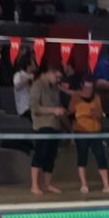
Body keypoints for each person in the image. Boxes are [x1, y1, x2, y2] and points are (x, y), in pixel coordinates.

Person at [70, 78, 109, 194]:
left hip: (95, 130)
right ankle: (84, 184)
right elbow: (70, 115)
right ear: (82, 86)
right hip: (81, 131)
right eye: (87, 87)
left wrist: (95, 114)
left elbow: (100, 113)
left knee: (101, 156)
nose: (89, 90)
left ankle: (106, 185)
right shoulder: (76, 97)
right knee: (82, 156)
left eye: (91, 87)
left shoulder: (97, 97)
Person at [28, 63, 66, 194]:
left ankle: (47, 184)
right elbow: (34, 107)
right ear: (50, 72)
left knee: (51, 156)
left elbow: (57, 105)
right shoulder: (37, 85)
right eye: (57, 76)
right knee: (40, 153)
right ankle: (34, 185)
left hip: (55, 124)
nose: (58, 79)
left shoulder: (55, 87)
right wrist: (53, 110)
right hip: (42, 125)